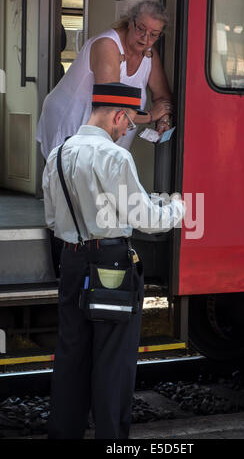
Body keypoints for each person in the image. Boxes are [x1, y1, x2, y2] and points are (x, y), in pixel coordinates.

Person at [42, 82, 185, 439]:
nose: (126, 130)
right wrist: (178, 207)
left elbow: (50, 218)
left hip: (72, 261)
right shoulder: (115, 156)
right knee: (113, 361)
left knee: (71, 357)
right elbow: (146, 219)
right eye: (128, 124)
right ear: (119, 115)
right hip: (112, 265)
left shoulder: (57, 153)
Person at [37, 0, 173, 159]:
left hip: (108, 133)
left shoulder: (149, 53)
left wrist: (164, 120)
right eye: (141, 29)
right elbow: (112, 109)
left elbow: (164, 99)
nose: (145, 38)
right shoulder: (107, 46)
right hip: (72, 122)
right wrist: (151, 116)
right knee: (71, 177)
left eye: (154, 35)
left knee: (106, 175)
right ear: (130, 22)